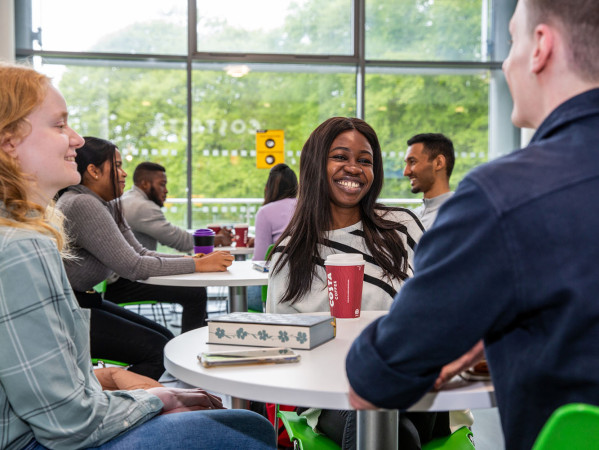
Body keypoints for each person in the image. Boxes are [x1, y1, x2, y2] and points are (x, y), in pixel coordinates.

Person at [346, 1, 599, 449]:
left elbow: (374, 382)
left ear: (540, 46)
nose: (505, 61)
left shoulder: (502, 197)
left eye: (512, 39)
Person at [0, 62, 276, 450]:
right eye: (60, 125)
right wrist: (154, 399)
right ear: (10, 142)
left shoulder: (69, 218)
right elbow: (68, 422)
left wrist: (114, 381)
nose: (76, 139)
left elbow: (38, 383)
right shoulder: (23, 244)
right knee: (248, 429)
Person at [266, 117, 450, 449]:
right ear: (314, 165)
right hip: (330, 395)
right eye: (340, 157)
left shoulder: (401, 226)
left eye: (364, 161)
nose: (354, 168)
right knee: (395, 434)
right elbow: (280, 347)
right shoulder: (290, 255)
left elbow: (443, 298)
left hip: (414, 379)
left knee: (396, 423)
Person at [56, 137, 234, 379]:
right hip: (67, 310)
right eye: (117, 165)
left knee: (165, 341)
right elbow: (134, 265)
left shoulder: (104, 204)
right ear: (93, 171)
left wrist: (195, 262)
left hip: (83, 300)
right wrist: (195, 264)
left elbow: (141, 252)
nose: (124, 173)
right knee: (157, 350)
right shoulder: (83, 203)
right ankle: (113, 405)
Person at [122, 161, 232, 252]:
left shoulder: (128, 198)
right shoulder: (142, 207)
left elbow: (171, 234)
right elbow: (180, 241)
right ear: (145, 184)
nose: (166, 190)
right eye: (162, 184)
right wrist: (220, 239)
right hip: (128, 278)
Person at [246, 163, 297, 311]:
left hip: (274, 290)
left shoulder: (265, 212)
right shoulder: (307, 207)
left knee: (237, 296)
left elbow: (260, 260)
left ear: (268, 188)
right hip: (307, 287)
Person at [403, 133, 455, 229]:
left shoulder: (458, 217)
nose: (406, 172)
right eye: (406, 163)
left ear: (438, 163)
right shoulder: (412, 217)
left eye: (413, 162)